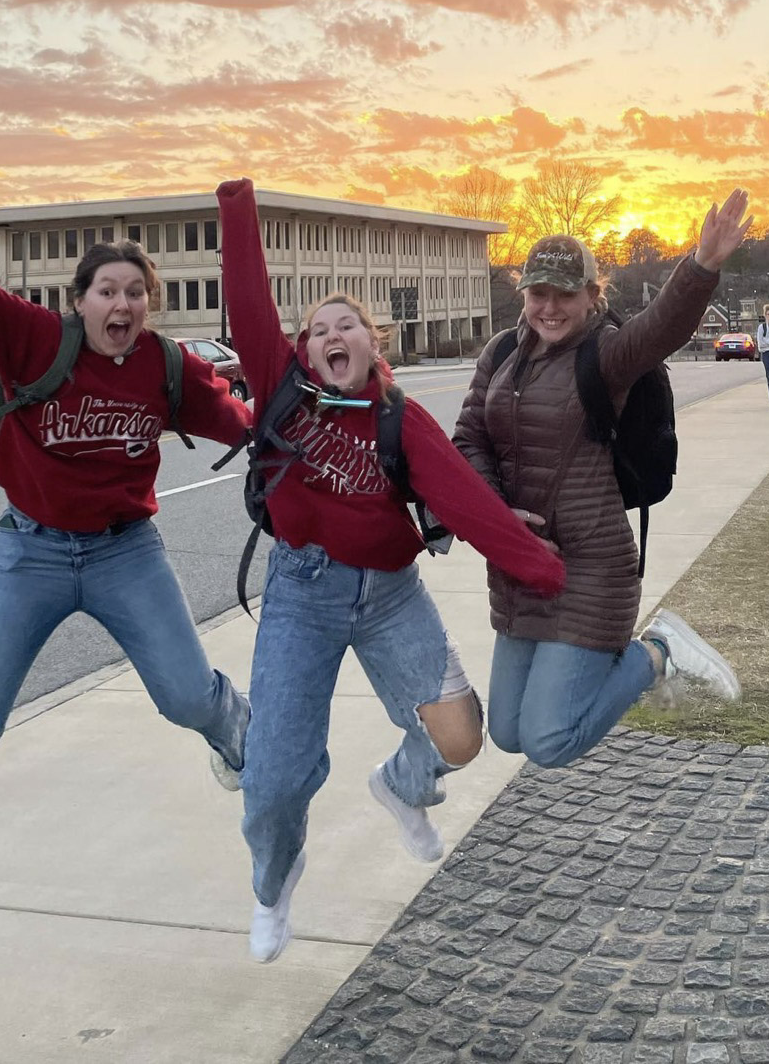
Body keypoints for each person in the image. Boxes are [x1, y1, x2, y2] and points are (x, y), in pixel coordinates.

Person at [0, 143, 253, 1038]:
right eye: (108, 291)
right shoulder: (29, 338)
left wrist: (294, 427)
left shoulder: (164, 368)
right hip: (26, 557)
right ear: (80, 301)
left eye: (135, 293)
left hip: (123, 553)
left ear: (148, 305)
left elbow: (240, 420)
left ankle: (238, 737)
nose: (123, 305)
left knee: (188, 695)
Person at [215, 177, 565, 966]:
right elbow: (245, 302)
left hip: (389, 598)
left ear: (375, 343)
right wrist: (239, 208)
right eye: (317, 329)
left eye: (349, 326)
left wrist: (535, 561)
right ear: (302, 351)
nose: (332, 334)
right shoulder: (283, 391)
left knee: (462, 736)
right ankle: (274, 881)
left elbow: (465, 503)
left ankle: (402, 785)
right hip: (301, 594)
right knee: (272, 781)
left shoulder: (398, 419)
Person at [453, 191, 753, 770]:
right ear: (524, 294)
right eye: (539, 292)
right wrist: (494, 514)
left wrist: (702, 267)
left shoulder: (606, 354)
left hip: (590, 567)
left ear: (593, 295)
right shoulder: (501, 353)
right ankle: (650, 657)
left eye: (567, 294)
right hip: (521, 568)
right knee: (510, 733)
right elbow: (469, 440)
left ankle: (656, 653)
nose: (551, 307)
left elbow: (660, 329)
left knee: (549, 740)